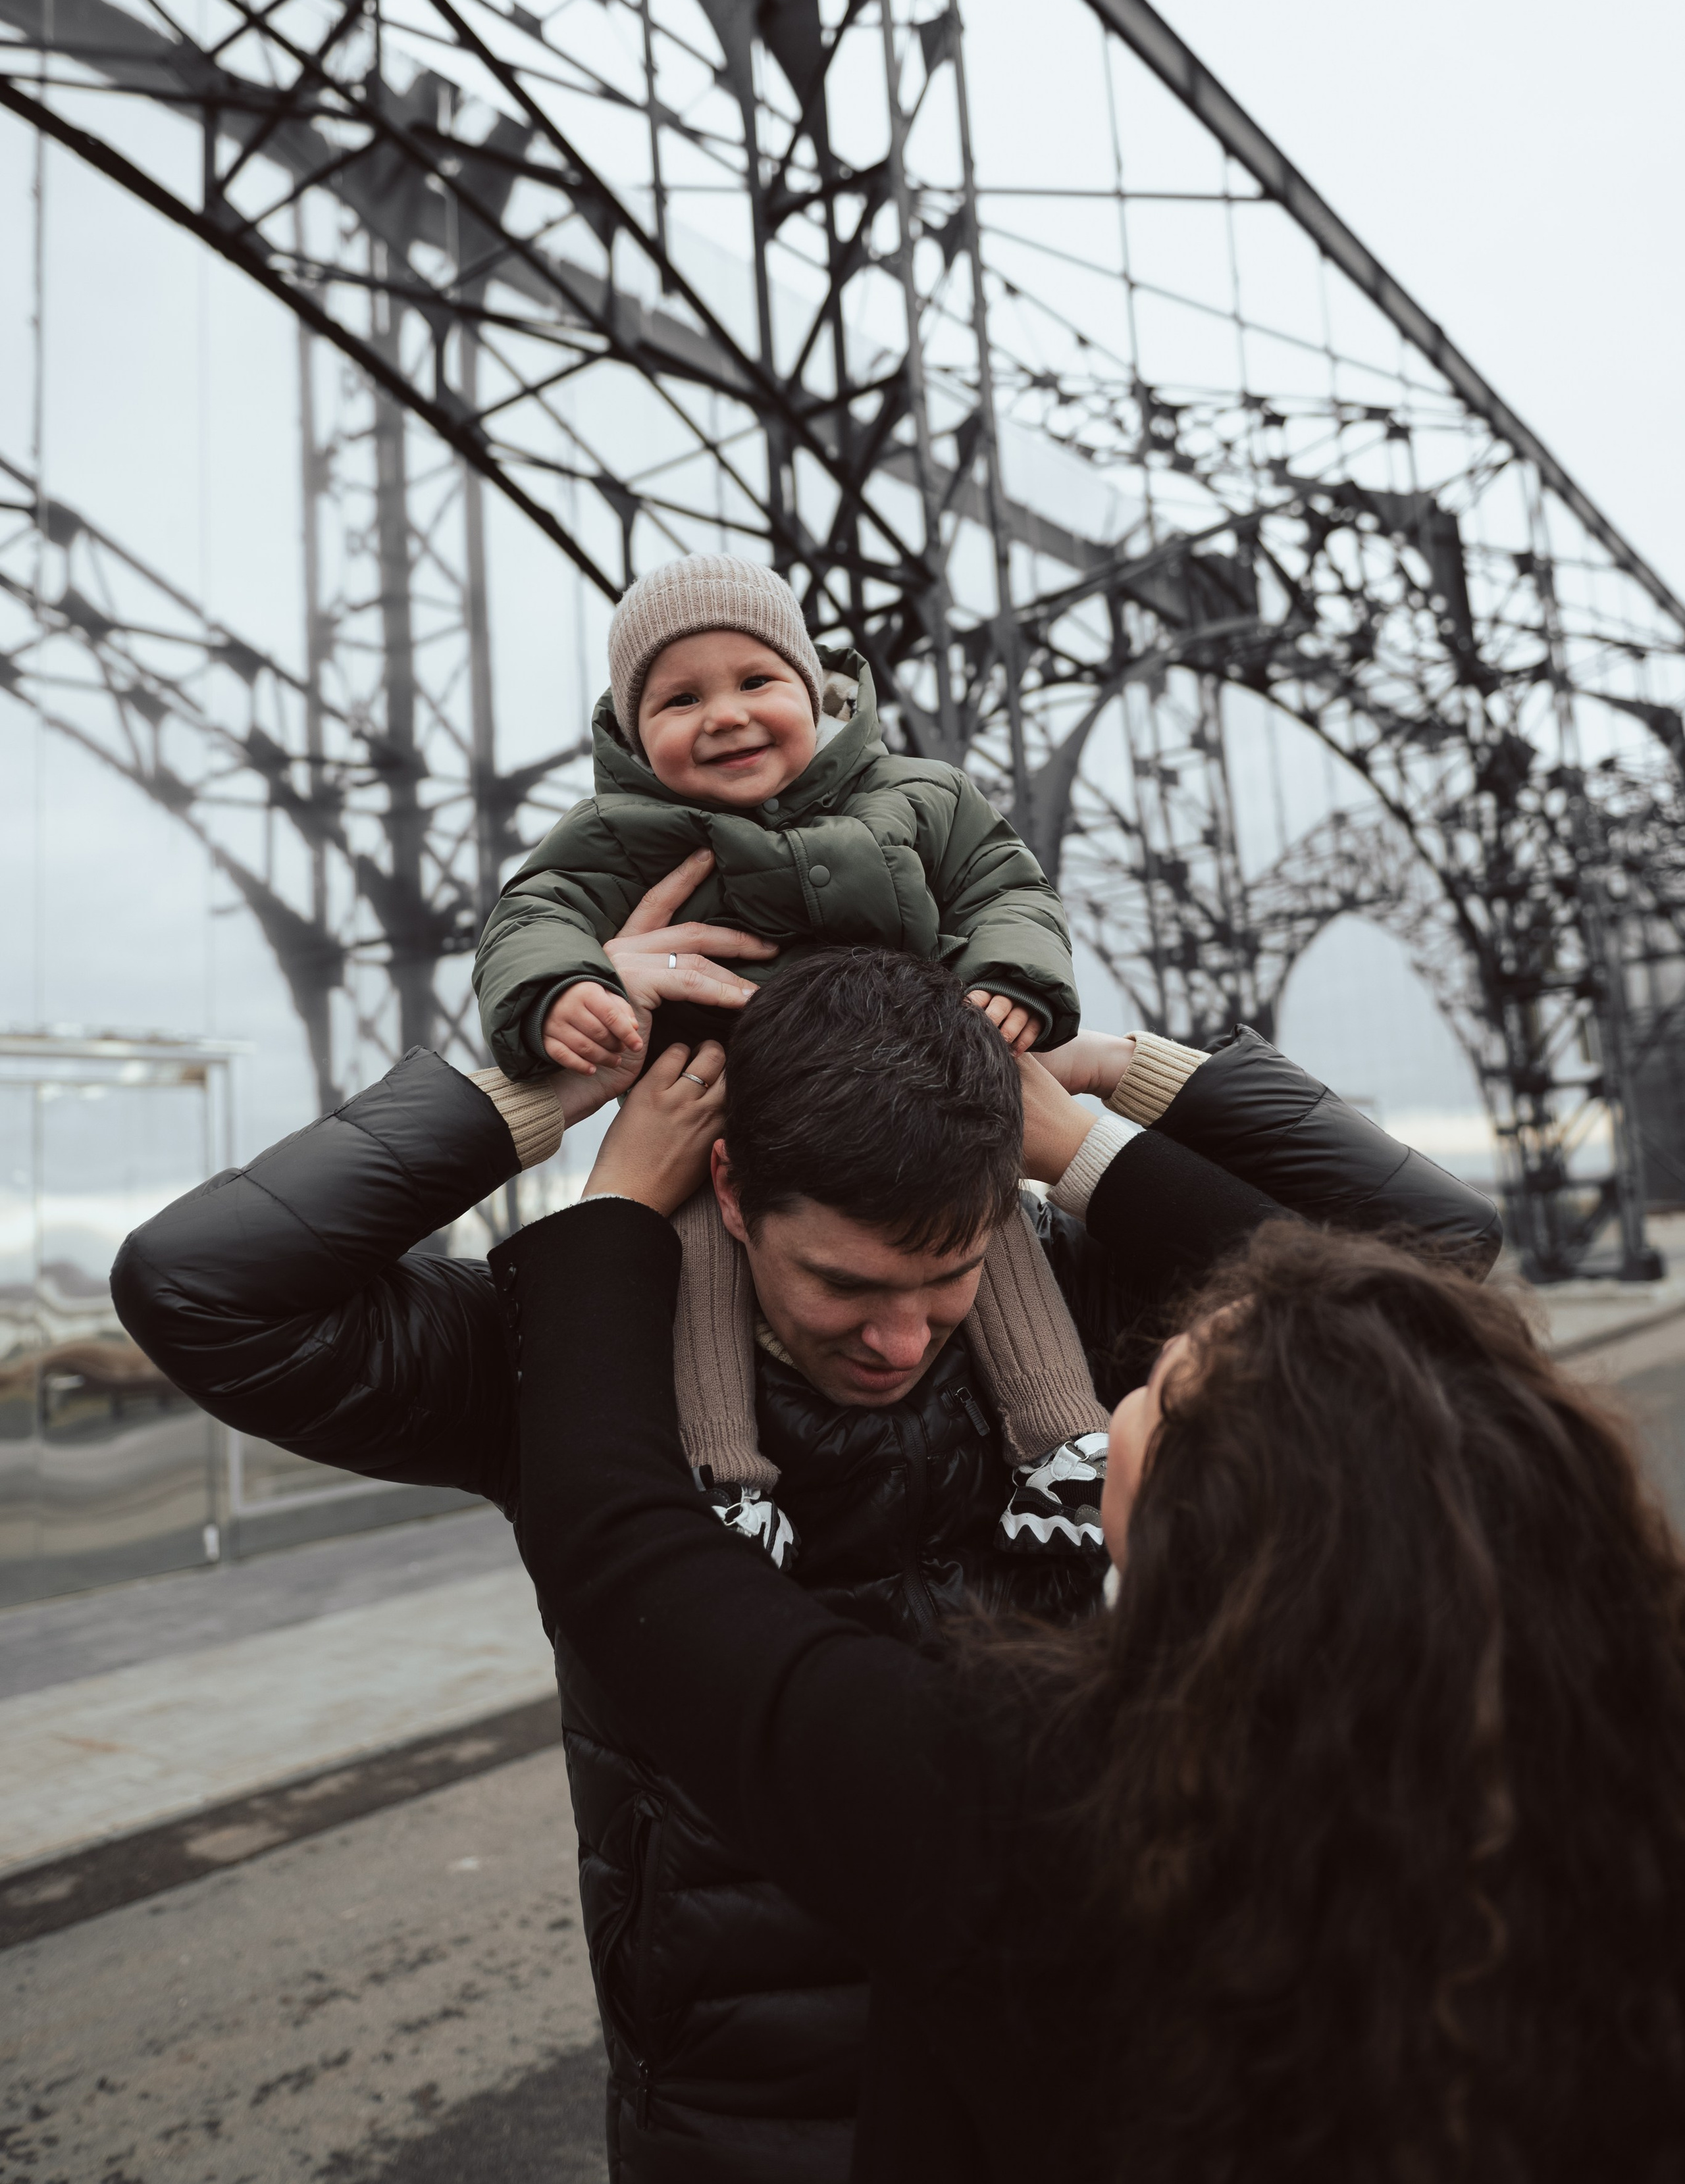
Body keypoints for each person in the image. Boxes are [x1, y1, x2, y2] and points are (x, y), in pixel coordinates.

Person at [113, 861, 1499, 2183]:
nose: (898, 1339)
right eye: (842, 1283)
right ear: (726, 1184)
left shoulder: (1081, 1302)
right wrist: (535, 1086)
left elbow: (1433, 1280)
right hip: (749, 2117)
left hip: (1069, 2055)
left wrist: (1098, 1104)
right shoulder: (570, 1342)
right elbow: (198, 1289)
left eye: (947, 1273)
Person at [509, 1042, 1685, 2183]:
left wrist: (608, 1201)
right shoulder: (1602, 1766)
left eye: (1170, 1382)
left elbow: (620, 1549)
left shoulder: (1002, 1791)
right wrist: (1098, 1100)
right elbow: (1416, 1287)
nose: (1178, 1334)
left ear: (1182, 1524)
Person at [471, 551, 1112, 1560]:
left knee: (978, 1235)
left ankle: (1067, 1446)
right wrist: (562, 991)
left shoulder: (918, 794)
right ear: (633, 732)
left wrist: (1018, 980)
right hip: (717, 1100)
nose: (724, 714)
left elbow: (1007, 888)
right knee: (696, 1260)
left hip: (920, 1097)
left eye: (756, 682)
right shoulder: (615, 831)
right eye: (679, 699)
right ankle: (725, 1481)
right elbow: (532, 918)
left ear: (816, 691)